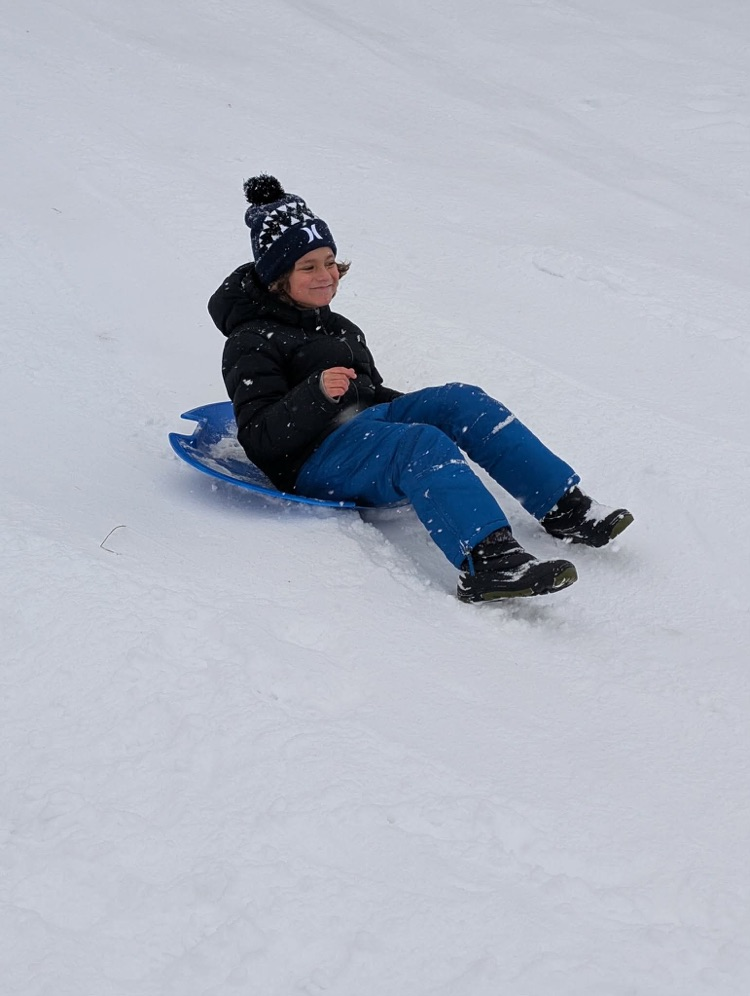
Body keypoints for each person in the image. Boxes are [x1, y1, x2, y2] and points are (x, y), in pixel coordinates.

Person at [208, 174, 633, 602]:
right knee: (418, 444)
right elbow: (261, 441)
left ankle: (567, 510)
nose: (326, 275)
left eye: (330, 261)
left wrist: (424, 409)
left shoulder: (340, 329)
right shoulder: (250, 342)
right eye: (308, 266)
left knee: (460, 400)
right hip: (312, 461)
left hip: (361, 430)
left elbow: (369, 395)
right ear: (277, 276)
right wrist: (316, 394)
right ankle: (488, 562)